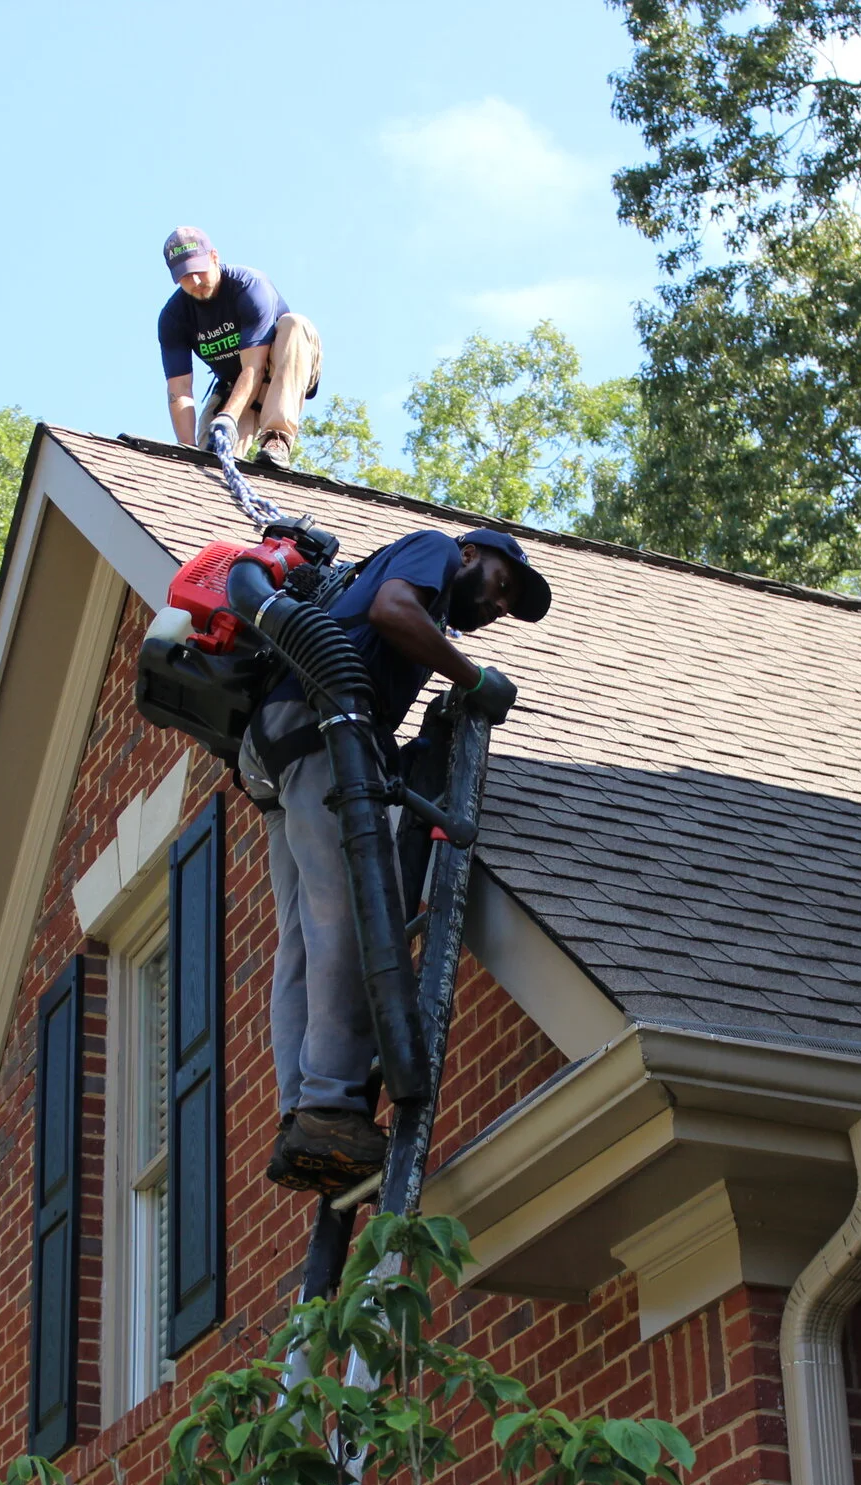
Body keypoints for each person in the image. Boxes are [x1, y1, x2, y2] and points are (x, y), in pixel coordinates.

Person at [237, 526, 552, 1192]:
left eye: (507, 605)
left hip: (280, 742)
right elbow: (392, 611)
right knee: (350, 919)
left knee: (302, 940)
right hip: (322, 727)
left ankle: (302, 1113)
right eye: (502, 586)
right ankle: (328, 1107)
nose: (499, 605)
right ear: (471, 555)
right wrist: (474, 678)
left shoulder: (401, 591)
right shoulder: (435, 549)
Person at [157, 226, 321, 469]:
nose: (196, 281)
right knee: (209, 465)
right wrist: (187, 450)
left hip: (281, 366)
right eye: (186, 276)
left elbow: (254, 366)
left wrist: (228, 417)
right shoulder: (174, 317)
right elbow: (179, 389)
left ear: (214, 257)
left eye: (199, 270)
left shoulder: (250, 287)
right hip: (236, 384)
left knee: (294, 325)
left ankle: (277, 438)